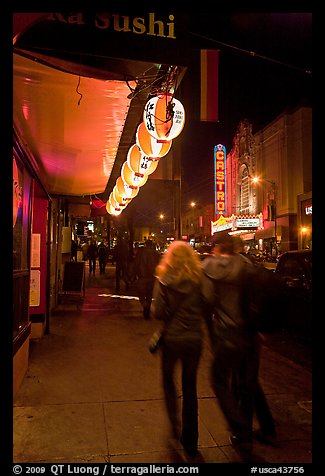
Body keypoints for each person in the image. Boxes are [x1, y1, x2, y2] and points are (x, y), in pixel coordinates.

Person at [201, 231, 275, 457]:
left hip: (228, 334)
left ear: (218, 247)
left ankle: (241, 431)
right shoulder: (248, 266)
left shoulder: (210, 268)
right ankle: (268, 430)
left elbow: (206, 302)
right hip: (251, 335)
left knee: (219, 380)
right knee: (249, 383)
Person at [152, 241, 207, 457]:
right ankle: (191, 438)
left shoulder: (164, 280)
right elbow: (207, 303)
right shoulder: (199, 279)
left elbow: (159, 312)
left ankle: (174, 423)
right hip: (194, 338)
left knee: (168, 379)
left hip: (172, 338)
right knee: (190, 385)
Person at [135, 240, 161, 319]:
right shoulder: (156, 254)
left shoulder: (140, 253)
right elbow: (160, 265)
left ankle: (145, 305)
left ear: (146, 245)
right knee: (149, 294)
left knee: (141, 294)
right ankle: (147, 310)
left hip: (142, 276)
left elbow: (136, 264)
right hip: (152, 276)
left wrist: (134, 274)